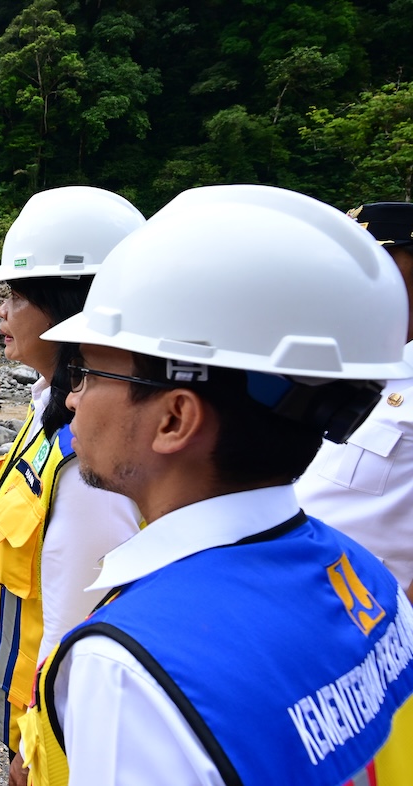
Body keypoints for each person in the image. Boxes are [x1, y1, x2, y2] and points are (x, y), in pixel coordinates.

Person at [18, 185, 413, 785]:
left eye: (90, 371)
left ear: (174, 419)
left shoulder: (131, 666)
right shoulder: (371, 585)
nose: (71, 397)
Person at [0, 186, 144, 785]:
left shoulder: (92, 460)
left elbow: (84, 618)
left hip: (52, 734)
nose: (1, 312)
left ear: (67, 307)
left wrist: (42, 740)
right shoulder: (50, 406)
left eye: (15, 296)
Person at [295, 201, 413, 783]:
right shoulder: (352, 362)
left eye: (379, 262)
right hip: (301, 625)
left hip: (372, 650)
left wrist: (390, 645)